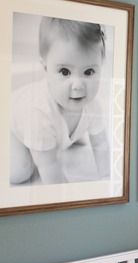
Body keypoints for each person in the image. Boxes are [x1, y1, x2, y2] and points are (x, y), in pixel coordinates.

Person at [10, 17, 110, 185]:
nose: (78, 85)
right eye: (64, 72)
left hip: (49, 128)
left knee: (57, 142)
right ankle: (40, 144)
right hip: (12, 126)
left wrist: (107, 178)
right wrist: (65, 196)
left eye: (89, 71)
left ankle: (59, 138)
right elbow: (49, 166)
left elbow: (101, 145)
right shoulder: (38, 112)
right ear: (45, 68)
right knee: (19, 172)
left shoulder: (93, 106)